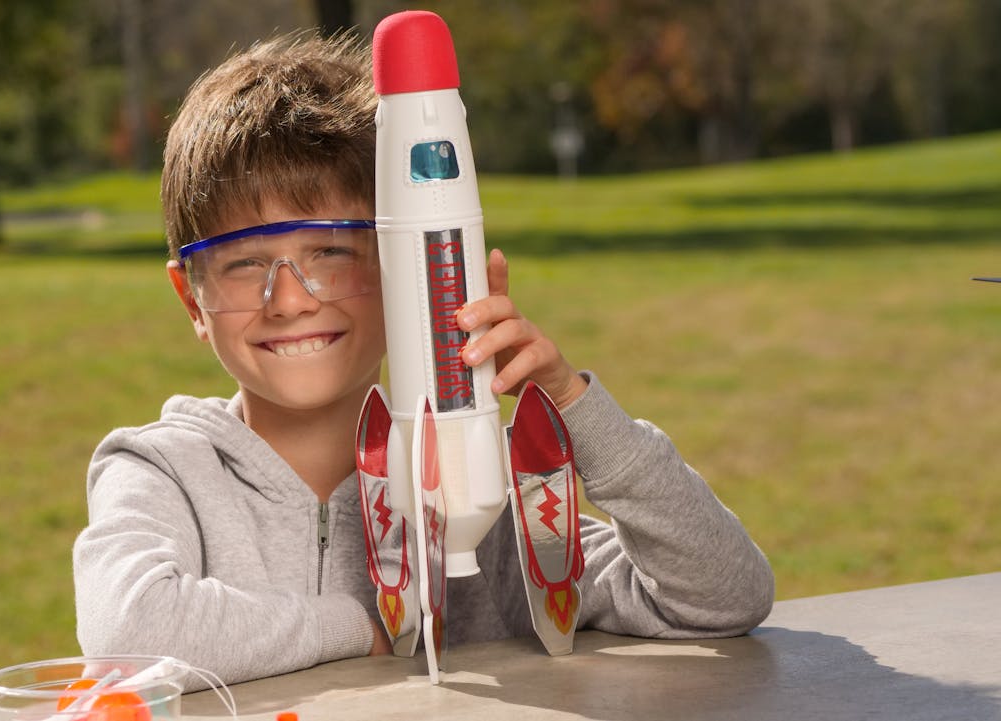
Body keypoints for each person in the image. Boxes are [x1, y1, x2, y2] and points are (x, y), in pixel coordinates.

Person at [72, 31, 774, 685]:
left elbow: (720, 596)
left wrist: (575, 406)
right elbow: (128, 634)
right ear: (192, 300)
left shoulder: (481, 496)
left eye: (331, 252)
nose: (289, 299)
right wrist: (364, 626)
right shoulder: (165, 472)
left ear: (408, 268)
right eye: (244, 262)